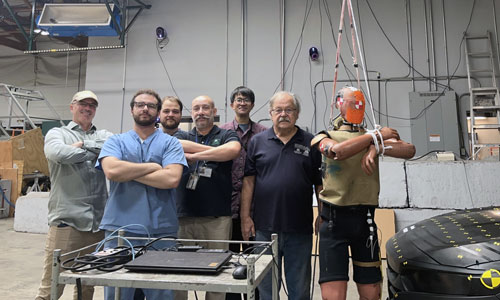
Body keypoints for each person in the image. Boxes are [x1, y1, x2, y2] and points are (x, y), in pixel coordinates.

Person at [311, 86, 415, 300]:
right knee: (333, 294)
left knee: (372, 292)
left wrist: (376, 147)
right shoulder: (324, 136)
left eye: (358, 103)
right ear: (340, 105)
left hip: (364, 220)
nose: (356, 107)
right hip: (333, 220)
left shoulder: (373, 139)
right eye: (351, 102)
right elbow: (337, 151)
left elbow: (409, 150)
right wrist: (375, 138)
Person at [97, 89, 187, 300]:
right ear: (132, 110)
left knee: (161, 293)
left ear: (157, 113)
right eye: (140, 104)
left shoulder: (170, 143)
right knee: (118, 293)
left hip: (160, 232)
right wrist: (154, 167)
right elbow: (112, 171)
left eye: (151, 105)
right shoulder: (115, 141)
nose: (145, 108)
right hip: (119, 231)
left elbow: (171, 179)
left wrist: (128, 173)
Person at [241, 91, 322, 300]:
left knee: (300, 288)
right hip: (264, 227)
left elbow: (320, 184)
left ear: (297, 114)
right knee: (266, 287)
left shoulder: (310, 142)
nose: (283, 114)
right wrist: (245, 217)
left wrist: (322, 215)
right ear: (270, 113)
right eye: (279, 110)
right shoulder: (257, 142)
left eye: (289, 110)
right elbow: (249, 182)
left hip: (299, 228)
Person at [36, 90, 113, 300]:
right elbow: (57, 153)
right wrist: (96, 153)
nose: (87, 108)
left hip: (97, 225)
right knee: (51, 286)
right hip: (66, 223)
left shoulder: (104, 135)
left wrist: (83, 146)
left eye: (92, 105)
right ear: (72, 107)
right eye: (83, 104)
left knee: (86, 286)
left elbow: (116, 148)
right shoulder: (57, 134)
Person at [175, 95, 241, 300]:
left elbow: (232, 151)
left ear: (214, 111)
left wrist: (194, 156)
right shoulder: (181, 136)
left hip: (216, 219)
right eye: (196, 108)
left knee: (216, 276)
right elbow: (179, 145)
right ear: (192, 112)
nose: (200, 112)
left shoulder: (226, 134)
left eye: (206, 108)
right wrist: (215, 153)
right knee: (178, 275)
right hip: (183, 216)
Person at [219, 86, 267, 254]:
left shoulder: (264, 133)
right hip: (226, 204)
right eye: (239, 100)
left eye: (246, 100)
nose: (242, 103)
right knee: (227, 256)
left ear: (252, 105)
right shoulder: (222, 132)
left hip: (255, 205)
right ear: (232, 104)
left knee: (252, 255)